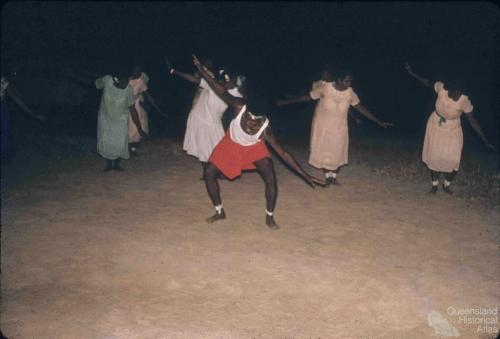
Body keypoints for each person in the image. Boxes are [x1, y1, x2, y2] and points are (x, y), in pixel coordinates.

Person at [192, 55, 326, 230]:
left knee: (271, 177)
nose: (250, 122)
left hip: (252, 147)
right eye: (249, 118)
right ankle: (219, 211)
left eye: (255, 120)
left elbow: (283, 153)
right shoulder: (239, 105)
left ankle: (269, 217)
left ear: (263, 118)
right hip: (230, 143)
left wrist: (305, 175)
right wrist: (201, 69)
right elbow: (218, 89)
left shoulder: (265, 129)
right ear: (246, 110)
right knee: (209, 172)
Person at [276, 67, 392, 185]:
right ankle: (328, 177)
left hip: (340, 127)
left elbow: (360, 107)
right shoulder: (326, 88)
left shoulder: (350, 92)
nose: (349, 83)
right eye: (347, 81)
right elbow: (307, 97)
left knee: (338, 151)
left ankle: (334, 176)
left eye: (350, 81)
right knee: (325, 151)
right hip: (323, 126)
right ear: (339, 80)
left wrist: (377, 121)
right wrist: (287, 102)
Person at [404, 62, 496, 194]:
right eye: (454, 92)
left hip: (453, 129)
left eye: (459, 93)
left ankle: (447, 185)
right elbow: (427, 82)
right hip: (436, 124)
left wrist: (484, 140)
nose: (456, 95)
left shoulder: (464, 101)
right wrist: (412, 73)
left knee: (453, 158)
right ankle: (434, 185)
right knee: (434, 156)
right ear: (449, 89)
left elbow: (473, 121)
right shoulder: (441, 88)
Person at [166, 58, 243, 179]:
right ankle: (208, 173)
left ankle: (217, 172)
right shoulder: (214, 85)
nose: (227, 82)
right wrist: (173, 71)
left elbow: (242, 105)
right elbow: (192, 78)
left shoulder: (236, 92)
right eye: (225, 80)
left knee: (220, 149)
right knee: (203, 148)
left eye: (230, 80)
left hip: (214, 122)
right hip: (200, 117)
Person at [67, 69, 147, 171]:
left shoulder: (128, 90)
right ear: (116, 79)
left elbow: (133, 110)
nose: (126, 84)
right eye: (123, 81)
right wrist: (75, 76)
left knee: (120, 142)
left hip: (121, 120)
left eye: (127, 81)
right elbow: (94, 83)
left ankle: (116, 164)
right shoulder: (107, 80)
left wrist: (139, 128)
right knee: (106, 142)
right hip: (105, 118)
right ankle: (109, 164)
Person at [1, 73, 45, 163]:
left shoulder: (3, 81)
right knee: (5, 131)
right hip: (2, 107)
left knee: (5, 130)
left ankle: (5, 154)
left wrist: (34, 114)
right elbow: (16, 97)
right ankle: (6, 154)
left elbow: (16, 97)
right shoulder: (3, 81)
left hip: (2, 107)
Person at [127, 67, 165, 155]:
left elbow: (145, 93)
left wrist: (154, 104)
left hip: (136, 105)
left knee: (136, 127)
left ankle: (133, 149)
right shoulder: (128, 80)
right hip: (128, 105)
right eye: (135, 71)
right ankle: (130, 147)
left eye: (138, 71)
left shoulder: (141, 81)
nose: (136, 73)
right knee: (130, 126)